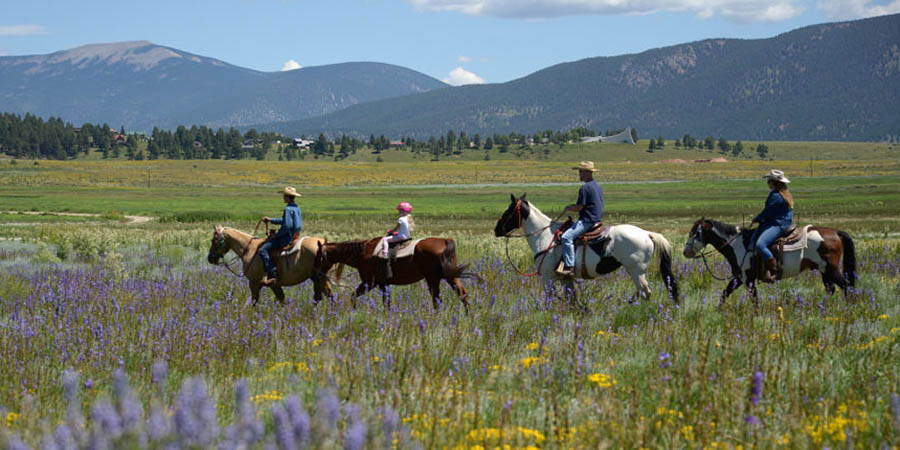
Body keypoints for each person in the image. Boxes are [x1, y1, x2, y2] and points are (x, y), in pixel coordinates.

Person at [557, 161, 604, 278]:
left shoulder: (584, 188)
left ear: (587, 173)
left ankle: (569, 267)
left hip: (587, 220)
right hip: (597, 219)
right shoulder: (597, 186)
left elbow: (580, 207)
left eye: (581, 172)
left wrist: (568, 208)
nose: (579, 174)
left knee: (565, 237)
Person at [750, 170, 794, 282]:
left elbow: (768, 211)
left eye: (768, 181)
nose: (767, 183)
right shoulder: (783, 192)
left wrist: (757, 219)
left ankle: (774, 269)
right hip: (780, 221)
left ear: (772, 182)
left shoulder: (776, 196)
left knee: (760, 244)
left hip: (778, 223)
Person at [259, 187, 303, 285]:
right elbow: (285, 221)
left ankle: (272, 271)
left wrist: (277, 235)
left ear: (287, 197)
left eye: (284, 195)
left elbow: (287, 225)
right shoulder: (296, 207)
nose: (283, 197)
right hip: (295, 235)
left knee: (262, 250)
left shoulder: (288, 209)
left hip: (286, 238)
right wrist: (271, 220)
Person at [382, 202, 415, 280]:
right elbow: (405, 230)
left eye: (400, 211)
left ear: (403, 211)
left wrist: (391, 232)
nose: (399, 213)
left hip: (401, 237)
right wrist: (397, 233)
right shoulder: (409, 219)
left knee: (385, 239)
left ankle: (385, 253)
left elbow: (396, 228)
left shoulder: (401, 219)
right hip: (407, 237)